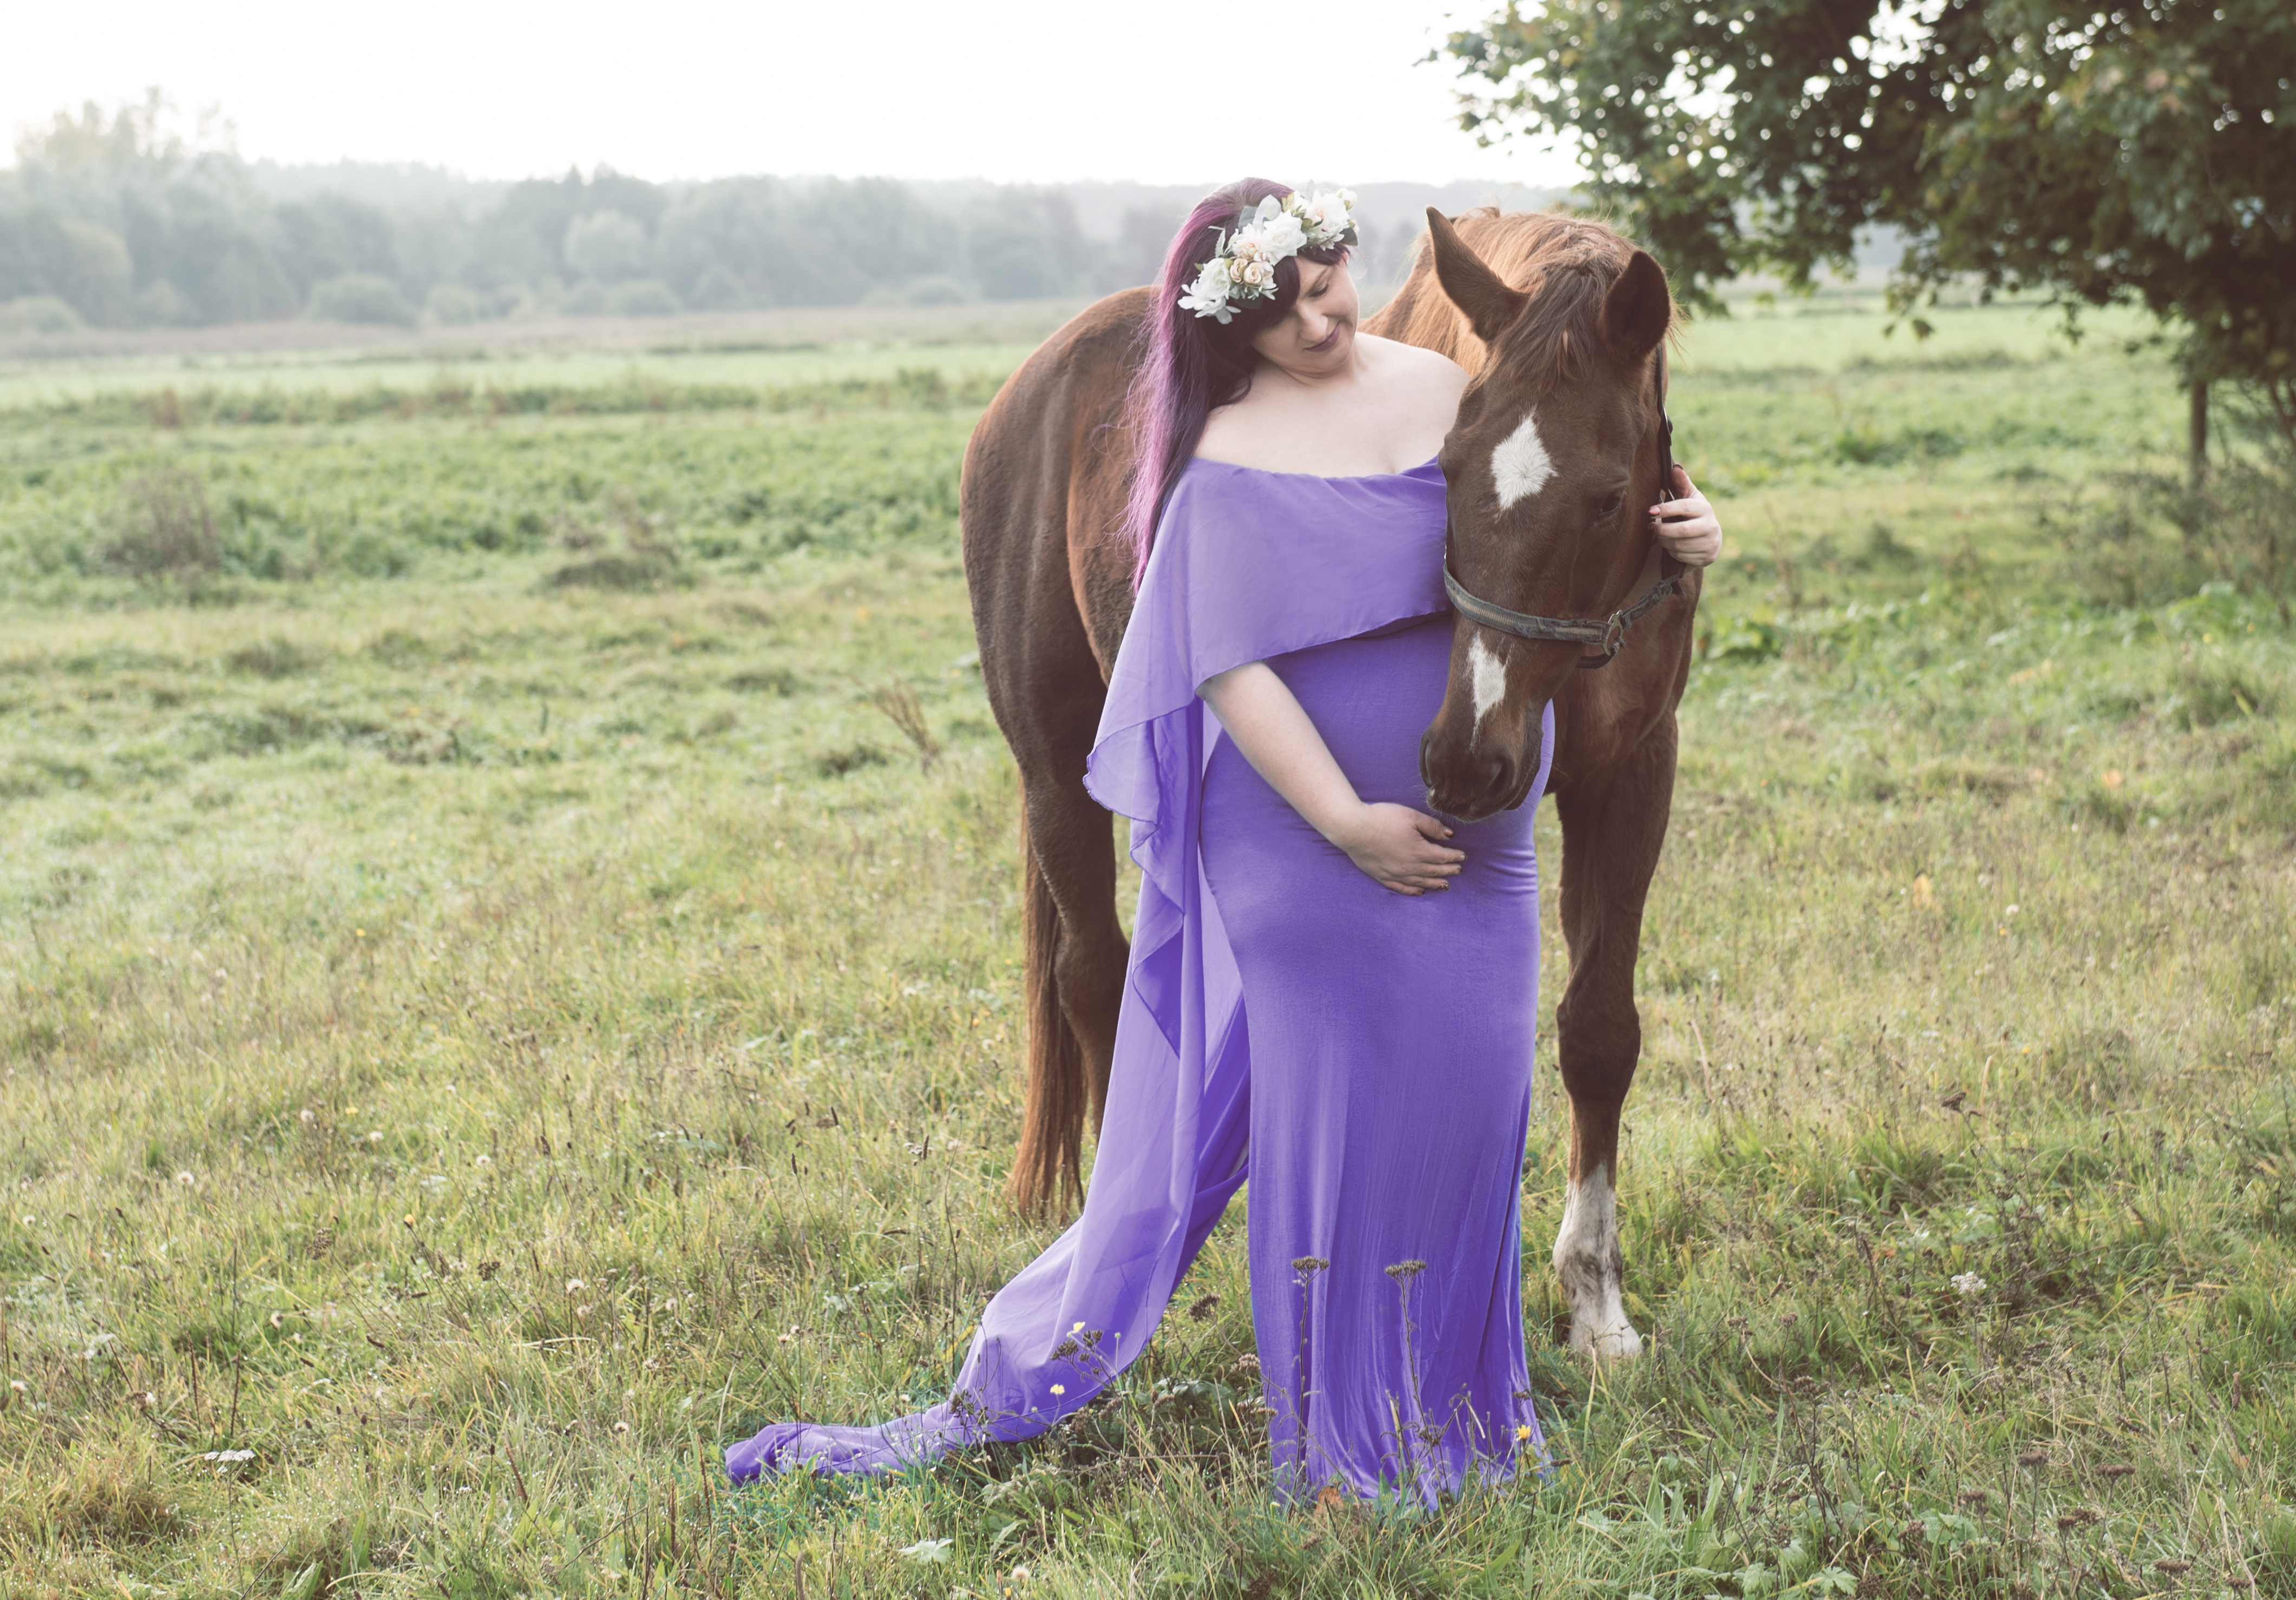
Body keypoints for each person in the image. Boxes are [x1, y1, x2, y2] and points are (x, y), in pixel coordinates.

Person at [728, 178, 1721, 1502]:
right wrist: (1345, 822)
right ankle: (1339, 1431)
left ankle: (1474, 1400)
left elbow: (1556, 485)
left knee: (1477, 1101)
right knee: (1335, 1121)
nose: (1317, 321)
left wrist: (1694, 526)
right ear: (1227, 326)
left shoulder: (1441, 388)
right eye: (1279, 310)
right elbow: (1226, 661)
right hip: (1312, 824)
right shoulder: (1220, 448)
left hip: (1475, 838)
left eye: (1327, 284)